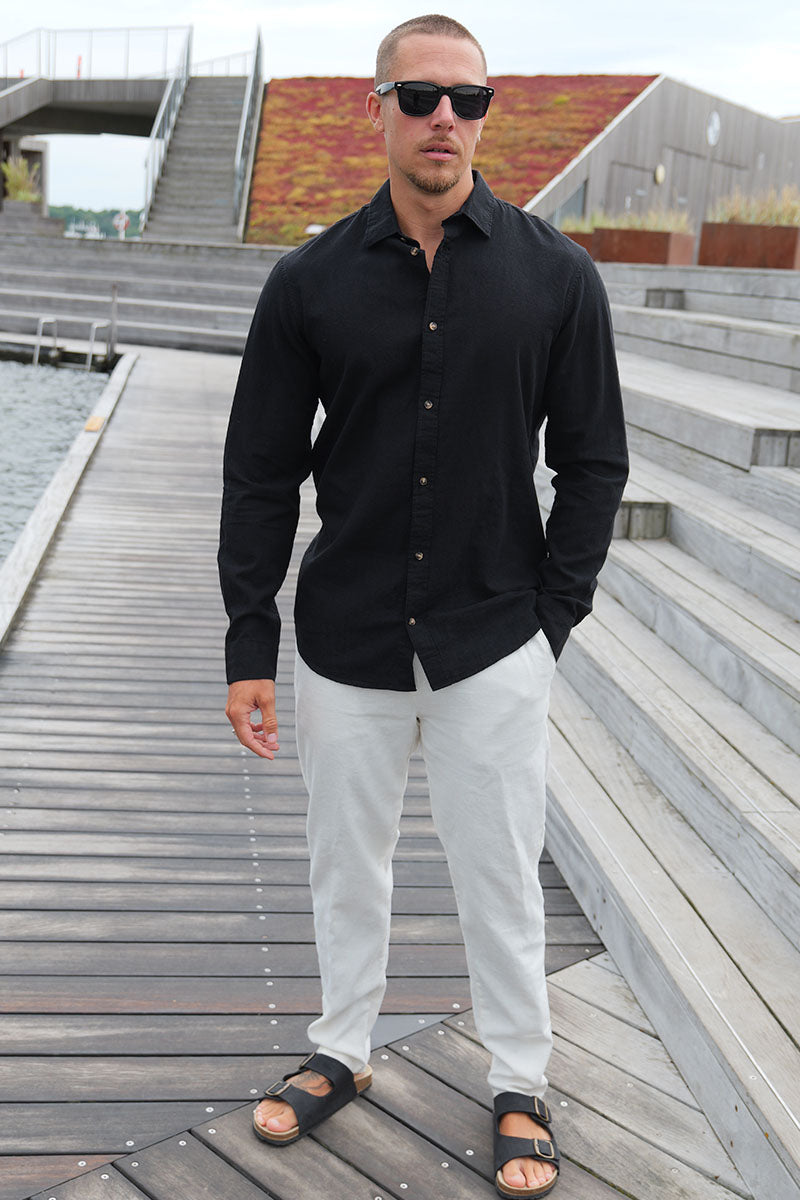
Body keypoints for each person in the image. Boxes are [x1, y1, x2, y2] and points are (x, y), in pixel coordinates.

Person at [218, 13, 628, 1197]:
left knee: (497, 870)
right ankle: (340, 1047)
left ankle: (519, 1078)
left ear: (484, 113)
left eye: (467, 99)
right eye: (419, 96)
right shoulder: (307, 283)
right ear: (380, 109)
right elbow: (259, 471)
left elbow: (592, 461)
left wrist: (551, 621)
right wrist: (249, 639)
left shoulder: (556, 277)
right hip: (342, 634)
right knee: (344, 865)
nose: (444, 117)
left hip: (494, 638)